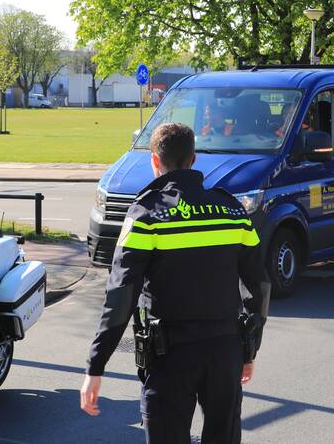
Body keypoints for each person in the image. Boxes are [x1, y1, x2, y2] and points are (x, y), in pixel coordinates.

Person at [81, 122, 270, 444]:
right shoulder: (232, 210)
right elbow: (259, 286)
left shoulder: (147, 214)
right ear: (194, 159)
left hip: (170, 356)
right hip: (224, 352)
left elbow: (120, 296)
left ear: (155, 160)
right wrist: (248, 350)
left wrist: (95, 366)